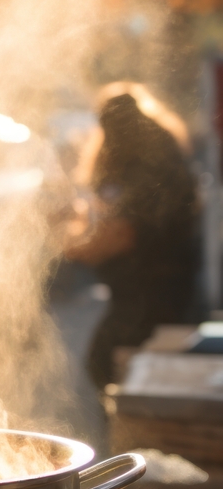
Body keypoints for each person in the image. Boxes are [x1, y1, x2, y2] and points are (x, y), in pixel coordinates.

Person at [65, 83, 201, 388]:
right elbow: (109, 212)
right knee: (120, 369)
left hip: (155, 290)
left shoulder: (151, 159)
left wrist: (70, 248)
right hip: (150, 288)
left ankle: (132, 432)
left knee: (116, 368)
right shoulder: (149, 150)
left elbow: (124, 232)